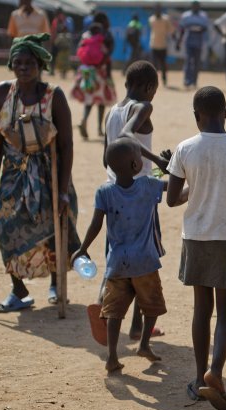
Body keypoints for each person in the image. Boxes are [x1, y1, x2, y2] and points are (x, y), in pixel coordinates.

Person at [165, 86, 226, 410]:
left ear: (196, 117)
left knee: (200, 309)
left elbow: (172, 198)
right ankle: (215, 371)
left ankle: (198, 377)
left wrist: (196, 181)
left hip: (195, 237)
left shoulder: (185, 149)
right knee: (225, 311)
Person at [0, 34, 80, 312]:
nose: (23, 67)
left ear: (40, 65)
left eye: (29, 63)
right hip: (13, 175)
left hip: (48, 174)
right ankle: (19, 291)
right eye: (18, 62)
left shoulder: (54, 96)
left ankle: (55, 283)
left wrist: (62, 190)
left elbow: (66, 145)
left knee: (52, 230)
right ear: (11, 65)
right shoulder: (2, 93)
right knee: (6, 230)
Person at [72, 139, 169, 373]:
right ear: (136, 164)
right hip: (145, 262)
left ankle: (112, 356)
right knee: (152, 306)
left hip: (117, 264)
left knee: (113, 312)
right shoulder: (148, 186)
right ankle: (144, 344)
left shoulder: (104, 191)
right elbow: (171, 186)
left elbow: (96, 224)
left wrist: (83, 248)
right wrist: (172, 166)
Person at [93, 60, 172, 342]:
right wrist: (156, 161)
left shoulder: (111, 112)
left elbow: (107, 157)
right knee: (145, 257)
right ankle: (139, 325)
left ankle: (124, 318)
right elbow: (128, 135)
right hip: (139, 194)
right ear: (149, 87)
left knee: (121, 253)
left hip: (114, 189)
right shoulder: (142, 107)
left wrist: (148, 165)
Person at [71, 19, 116, 140]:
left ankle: (84, 120)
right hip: (99, 73)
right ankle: (99, 129)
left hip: (87, 73)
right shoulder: (101, 39)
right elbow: (106, 56)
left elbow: (80, 55)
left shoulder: (84, 39)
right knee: (101, 102)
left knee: (89, 100)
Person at [177, 1, 208, 89]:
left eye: (197, 6)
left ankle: (194, 81)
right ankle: (187, 80)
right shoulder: (186, 15)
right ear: (191, 7)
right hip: (188, 42)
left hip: (199, 42)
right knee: (188, 61)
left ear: (199, 7)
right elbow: (182, 29)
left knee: (197, 63)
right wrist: (179, 41)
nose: (195, 7)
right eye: (194, 6)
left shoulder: (203, 16)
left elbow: (205, 28)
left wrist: (199, 29)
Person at [148, 3, 174, 86]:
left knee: (163, 65)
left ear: (161, 10)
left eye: (159, 9)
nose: (157, 11)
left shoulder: (166, 19)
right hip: (154, 45)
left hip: (163, 45)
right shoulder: (151, 19)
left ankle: (164, 80)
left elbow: (171, 30)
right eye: (156, 9)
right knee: (153, 66)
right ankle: (153, 82)